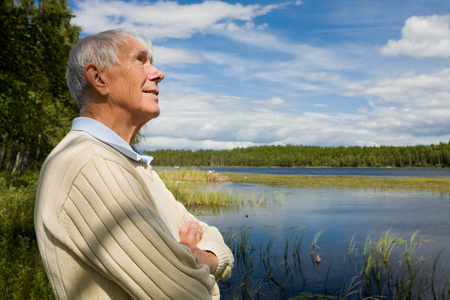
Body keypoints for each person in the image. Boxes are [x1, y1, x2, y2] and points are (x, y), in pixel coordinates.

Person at [34, 28, 233, 300]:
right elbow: (187, 293)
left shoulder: (132, 164)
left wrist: (199, 257)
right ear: (99, 78)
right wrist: (202, 262)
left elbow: (209, 234)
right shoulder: (90, 165)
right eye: (140, 60)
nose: (158, 73)